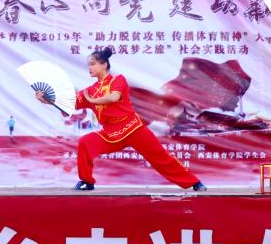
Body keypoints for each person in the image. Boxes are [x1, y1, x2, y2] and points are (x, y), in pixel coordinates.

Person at [37, 47, 205, 191]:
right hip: (110, 134)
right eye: (89, 65)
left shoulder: (118, 80)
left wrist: (92, 100)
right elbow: (69, 103)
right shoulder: (90, 91)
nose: (90, 67)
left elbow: (113, 97)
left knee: (161, 157)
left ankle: (194, 182)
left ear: (104, 64)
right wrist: (47, 99)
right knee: (85, 143)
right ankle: (87, 181)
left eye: (93, 64)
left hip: (132, 128)